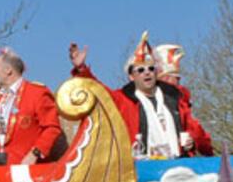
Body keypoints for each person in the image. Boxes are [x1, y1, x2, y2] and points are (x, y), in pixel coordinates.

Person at [68, 35, 213, 159]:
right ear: (131, 76)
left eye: (151, 68)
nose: (147, 73)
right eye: (141, 70)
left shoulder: (174, 99)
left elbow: (198, 134)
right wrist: (81, 69)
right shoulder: (123, 99)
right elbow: (99, 91)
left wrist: (193, 143)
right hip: (142, 170)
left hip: (177, 168)